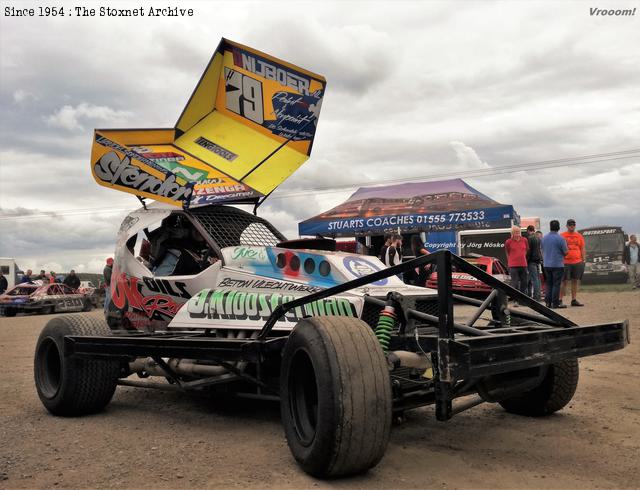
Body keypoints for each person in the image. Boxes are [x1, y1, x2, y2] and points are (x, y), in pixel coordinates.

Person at [541, 220, 568, 308]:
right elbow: (566, 252)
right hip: (557, 264)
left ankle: (548, 303)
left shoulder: (544, 238)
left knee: (549, 284)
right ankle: (555, 303)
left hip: (546, 264)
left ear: (550, 227)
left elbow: (542, 250)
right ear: (559, 227)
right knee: (556, 284)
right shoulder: (560, 238)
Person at [560, 219, 586, 306]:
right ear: (567, 226)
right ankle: (560, 299)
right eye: (570, 225)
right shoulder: (562, 236)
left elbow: (582, 248)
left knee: (575, 280)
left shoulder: (579, 236)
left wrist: (583, 260)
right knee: (564, 281)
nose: (572, 226)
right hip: (565, 262)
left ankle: (574, 299)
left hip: (577, 261)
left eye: (573, 225)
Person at [504, 225, 529, 305]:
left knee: (524, 282)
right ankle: (516, 300)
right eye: (515, 232)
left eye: (518, 232)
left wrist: (522, 257)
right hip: (513, 265)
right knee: (514, 283)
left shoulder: (524, 240)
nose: (517, 234)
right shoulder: (508, 241)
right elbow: (507, 252)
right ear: (512, 233)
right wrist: (510, 261)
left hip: (523, 264)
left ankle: (522, 300)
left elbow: (526, 250)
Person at [526, 225, 542, 301]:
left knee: (534, 279)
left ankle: (535, 296)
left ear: (528, 230)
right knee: (538, 279)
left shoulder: (530, 238)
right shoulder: (538, 238)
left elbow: (528, 251)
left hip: (531, 261)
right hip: (537, 260)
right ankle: (538, 295)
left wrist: (526, 260)